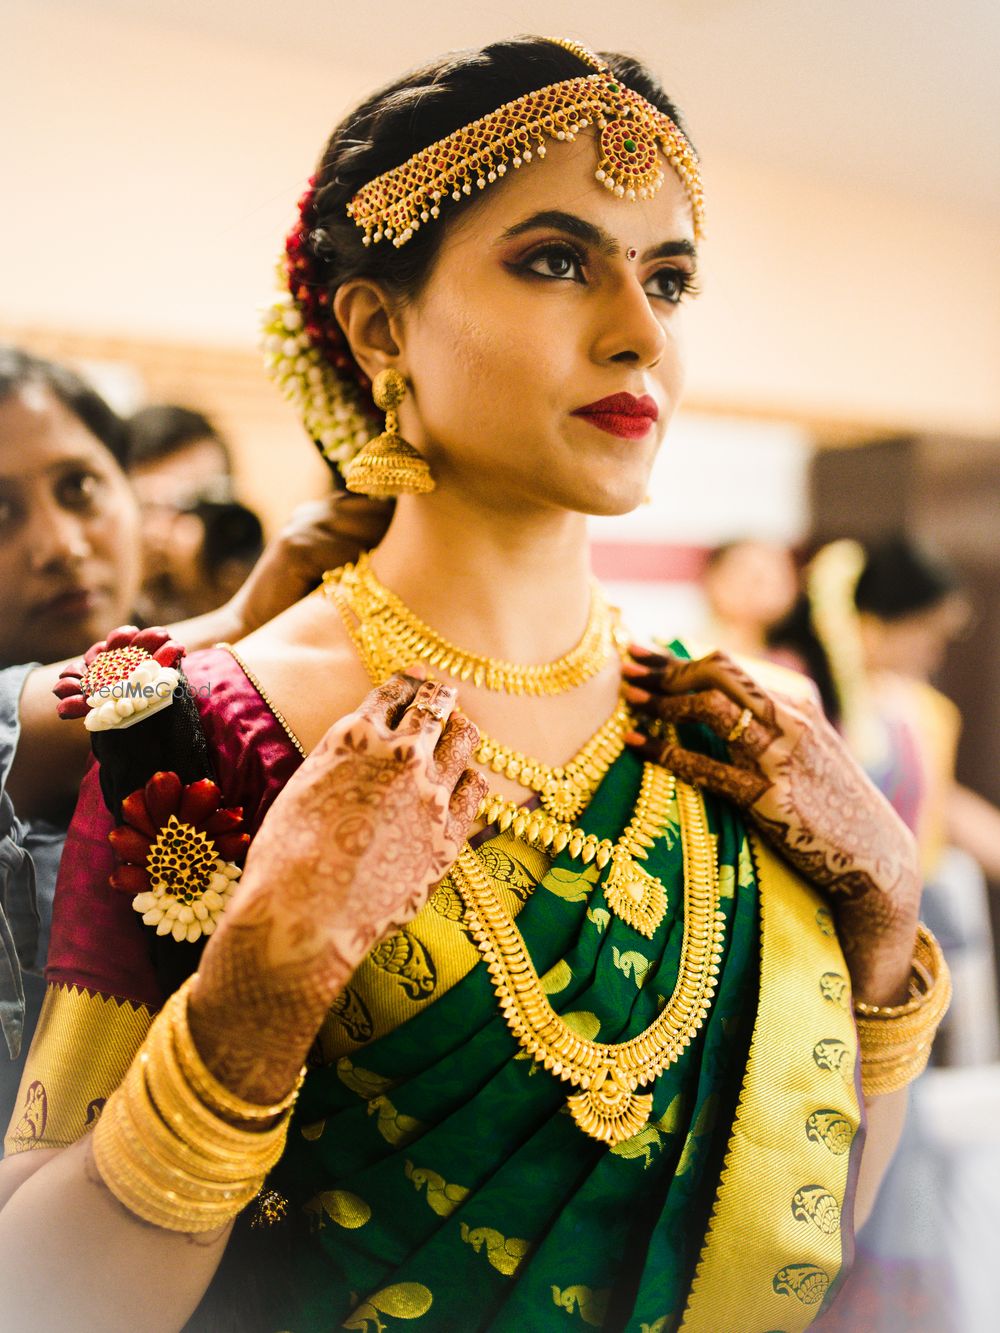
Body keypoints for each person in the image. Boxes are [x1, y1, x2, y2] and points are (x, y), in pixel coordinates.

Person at [0, 38, 948, 1332]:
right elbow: (38, 1300)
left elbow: (803, 1236)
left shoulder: (734, 741)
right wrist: (257, 993)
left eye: (669, 278)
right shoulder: (193, 732)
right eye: (557, 261)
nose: (638, 332)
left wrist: (887, 920)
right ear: (379, 326)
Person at [0, 346, 391, 1116]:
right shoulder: (225, 654)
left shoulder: (242, 670)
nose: (61, 545)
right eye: (0, 513)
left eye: (79, 488)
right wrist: (244, 619)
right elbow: (101, 699)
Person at [699, 539, 800, 661]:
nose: (771, 588)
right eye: (757, 578)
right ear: (715, 580)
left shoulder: (787, 664)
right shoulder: (687, 654)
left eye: (781, 576)